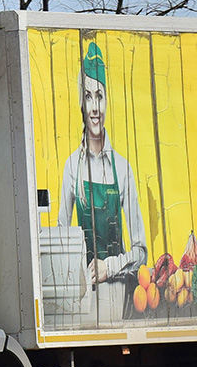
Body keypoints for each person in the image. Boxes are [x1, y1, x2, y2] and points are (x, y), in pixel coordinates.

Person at [58, 40, 148, 287]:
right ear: (81, 104)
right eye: (88, 97)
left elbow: (141, 251)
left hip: (119, 292)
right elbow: (60, 239)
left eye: (99, 96)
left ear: (107, 101)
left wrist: (109, 267)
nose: (95, 107)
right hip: (82, 294)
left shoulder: (122, 168)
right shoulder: (71, 167)